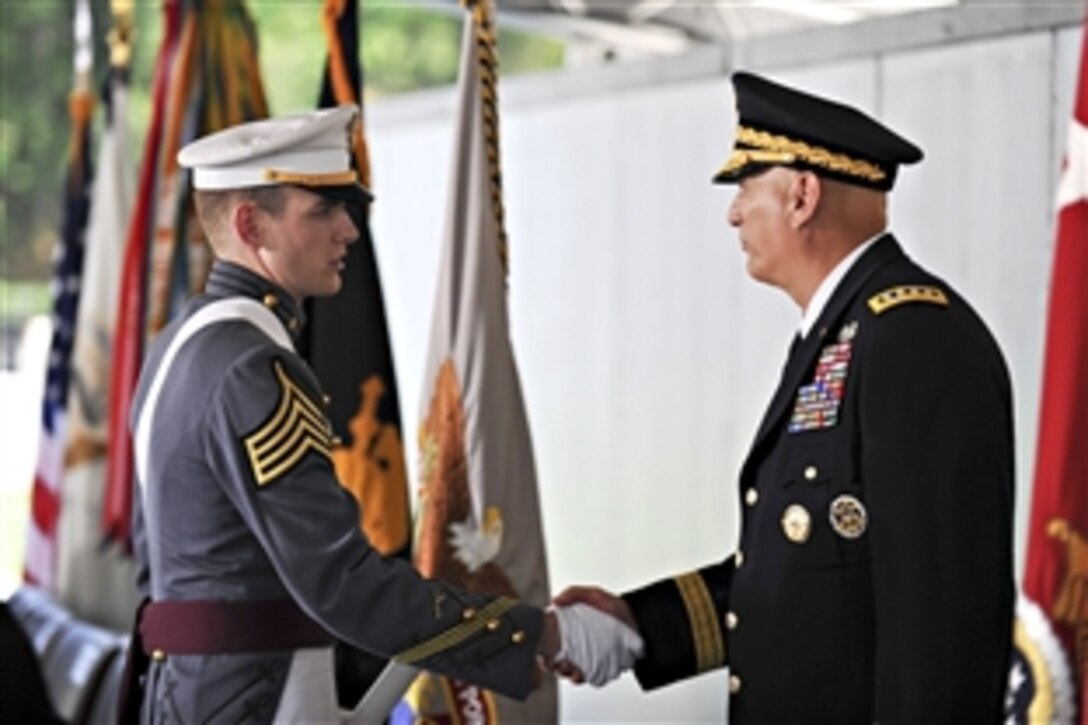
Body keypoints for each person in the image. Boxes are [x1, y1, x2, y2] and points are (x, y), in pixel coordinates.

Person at [121, 105, 621, 724]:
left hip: (189, 693)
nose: (349, 230)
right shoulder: (256, 368)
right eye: (323, 210)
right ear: (252, 224)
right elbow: (342, 584)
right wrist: (542, 636)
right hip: (256, 698)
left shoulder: (181, 344)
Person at [552, 71, 1016, 723]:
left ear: (802, 195)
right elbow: (803, 578)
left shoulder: (914, 338)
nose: (733, 212)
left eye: (745, 185)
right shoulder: (838, 335)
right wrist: (639, 622)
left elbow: (940, 628)